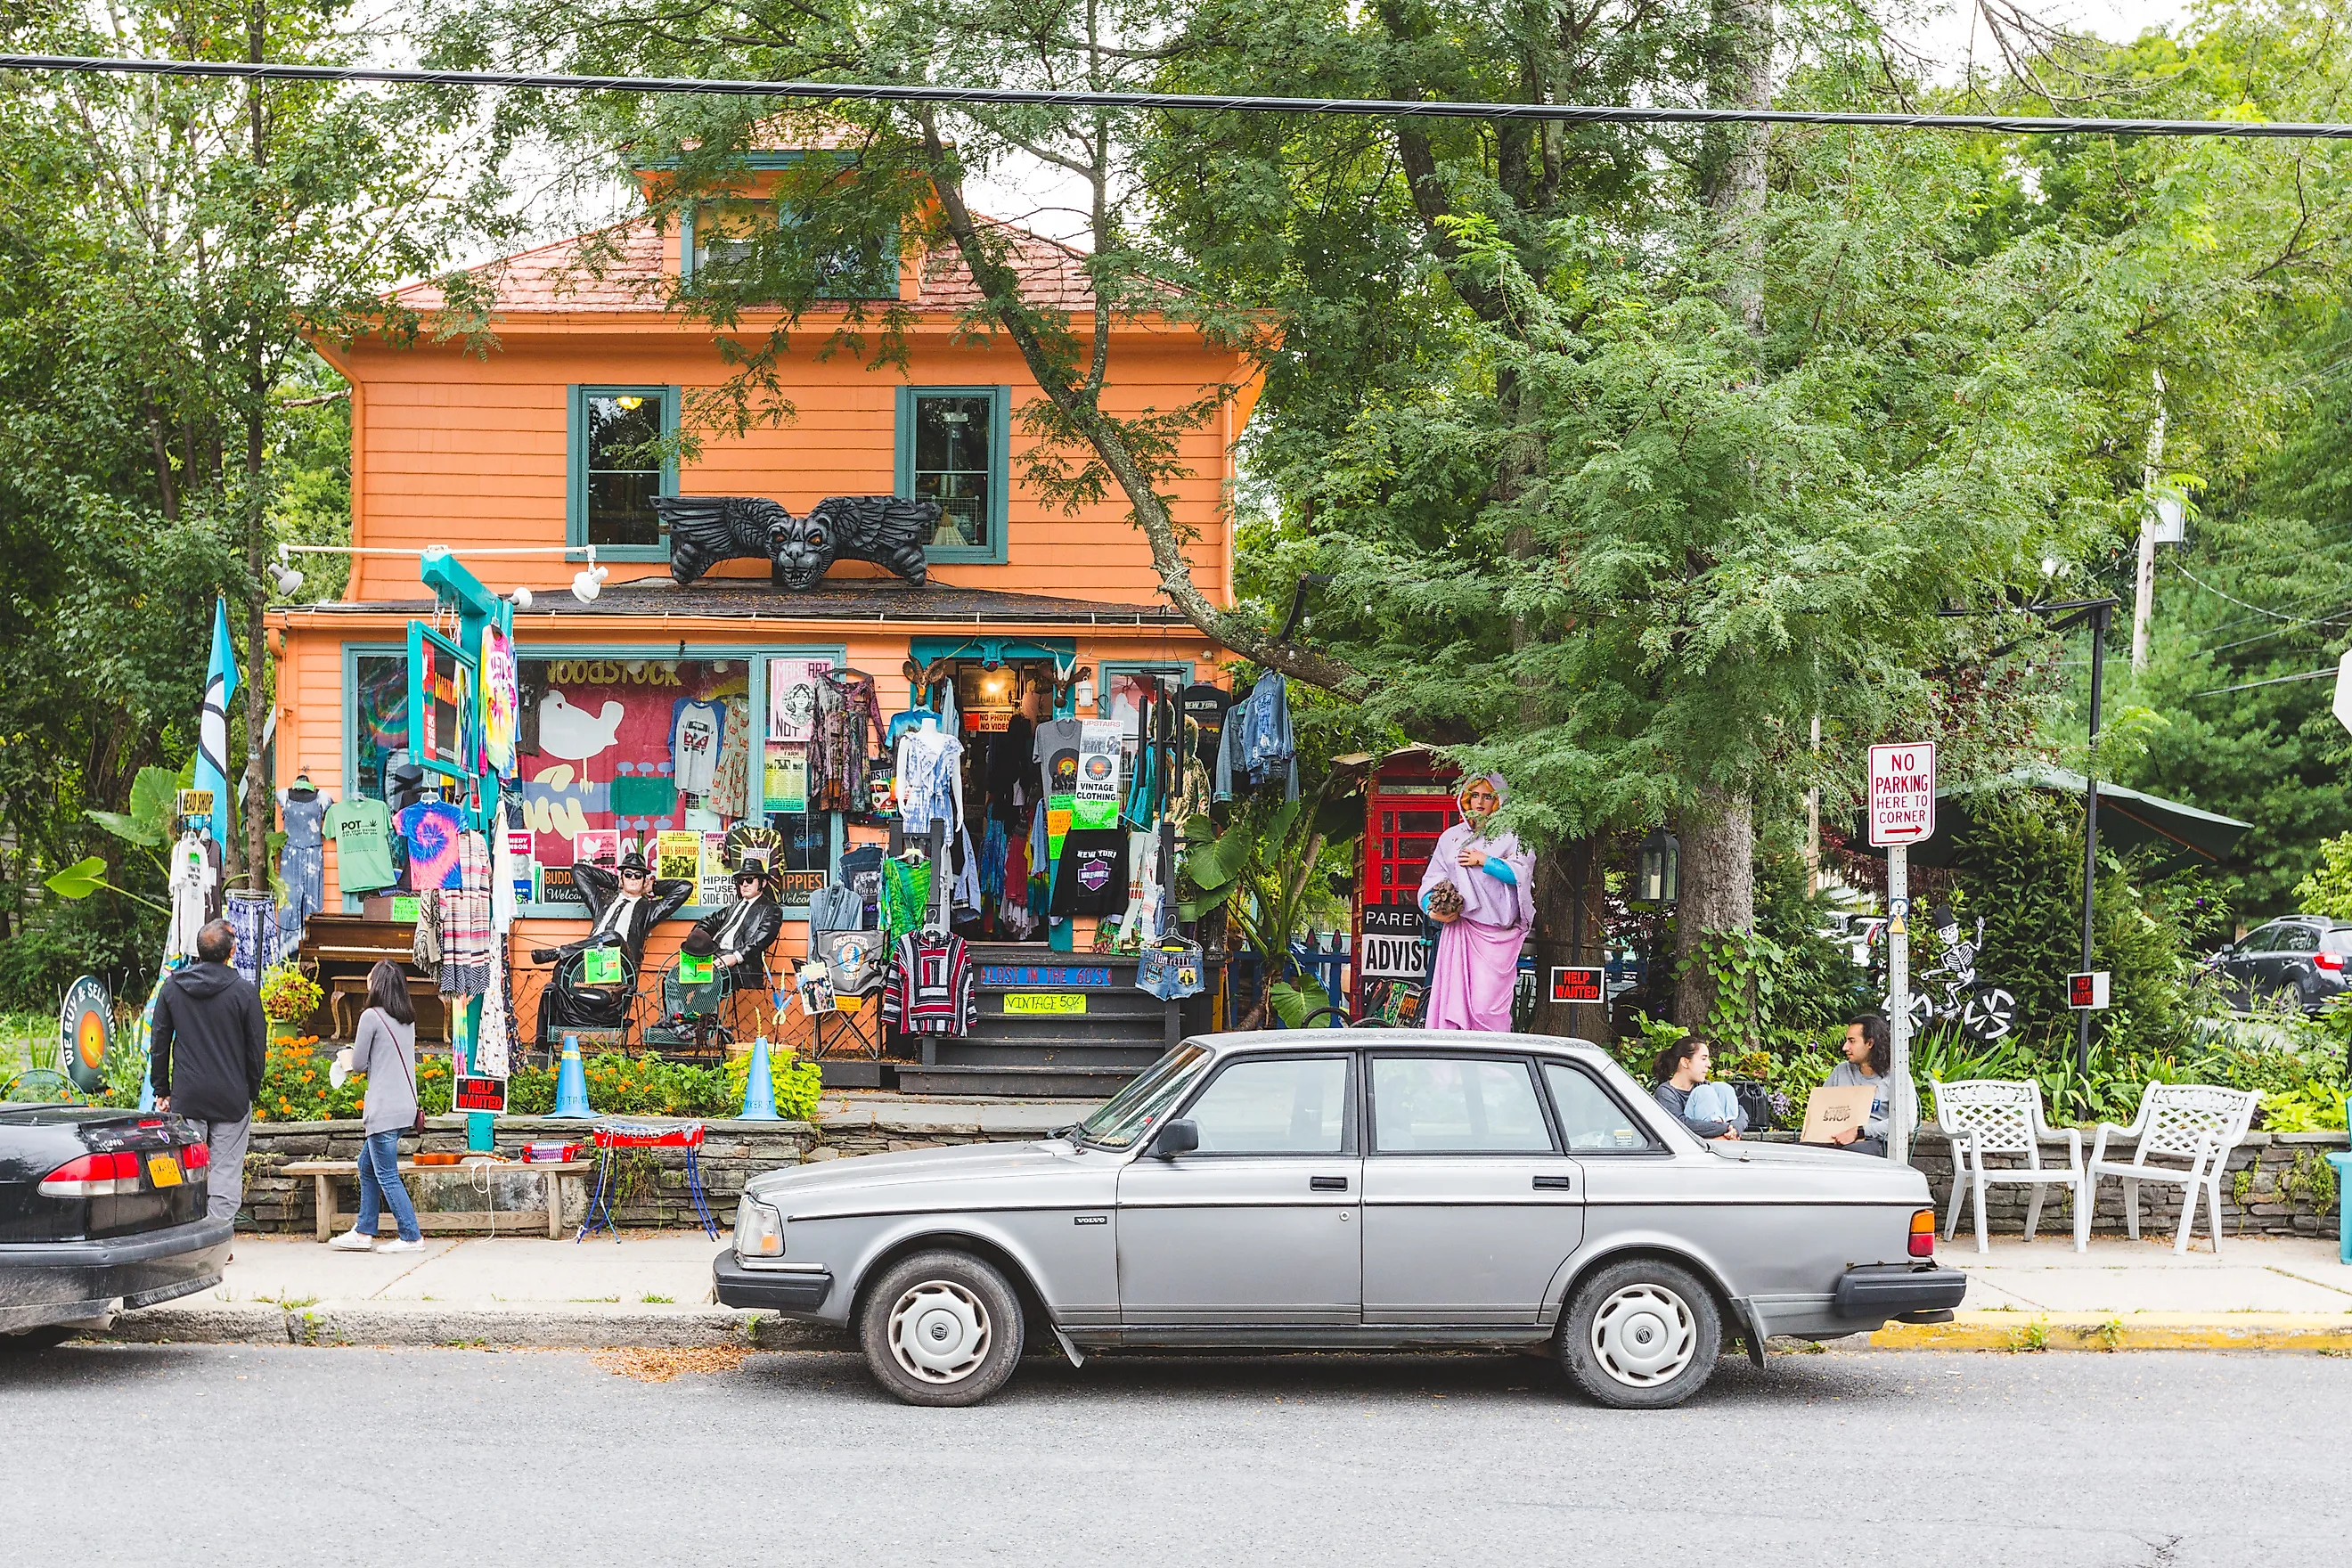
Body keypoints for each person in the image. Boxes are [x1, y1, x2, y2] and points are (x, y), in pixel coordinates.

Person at [150, 918, 268, 1229]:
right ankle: (217, 1238)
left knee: (187, 1167)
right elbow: (257, 1049)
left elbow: (159, 1042)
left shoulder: (173, 987)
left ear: (199, 951)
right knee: (226, 1170)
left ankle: (187, 1234)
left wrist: (161, 1089)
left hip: (188, 1096)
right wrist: (250, 1090)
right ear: (232, 951)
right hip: (231, 1096)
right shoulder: (244, 992)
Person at [1416, 773, 1535, 1032]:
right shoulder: (1451, 838)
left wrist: (1485, 861)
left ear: (1498, 800)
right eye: (1475, 795)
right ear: (1466, 799)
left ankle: (1491, 1067)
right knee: (1451, 1010)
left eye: (1488, 796)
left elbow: (1522, 874)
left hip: (1496, 936)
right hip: (1459, 932)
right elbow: (1432, 880)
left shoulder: (1514, 836)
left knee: (1486, 1009)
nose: (1480, 802)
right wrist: (1432, 910)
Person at [533, 851, 693, 1036]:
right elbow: (579, 871)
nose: (633, 879)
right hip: (588, 962)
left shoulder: (649, 910)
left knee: (613, 937)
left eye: (638, 875)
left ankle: (560, 951)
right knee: (556, 980)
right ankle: (544, 1039)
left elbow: (684, 887)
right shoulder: (602, 901)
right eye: (628, 874)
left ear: (644, 879)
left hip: (621, 968)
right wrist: (615, 883)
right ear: (621, 877)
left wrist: (653, 888)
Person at [331, 960, 422, 1253]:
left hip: (382, 1109)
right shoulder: (408, 1019)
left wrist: (346, 1057)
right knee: (366, 1165)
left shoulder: (370, 1016)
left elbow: (358, 1064)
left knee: (386, 1174)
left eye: (370, 980)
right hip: (405, 1108)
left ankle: (411, 1236)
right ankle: (364, 1231)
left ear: (378, 985)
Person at [1824, 1012, 1911, 1157]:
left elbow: (1906, 1122)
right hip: (1836, 1138)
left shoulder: (1897, 1077)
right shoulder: (1841, 1071)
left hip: (1876, 1142)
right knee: (1799, 1151)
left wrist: (1860, 1131)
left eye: (1852, 1041)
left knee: (1849, 1154)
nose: (1845, 1047)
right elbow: (1821, 1108)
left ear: (1870, 1043)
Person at [1652, 1035, 1744, 1140]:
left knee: (1722, 1087)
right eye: (1704, 1058)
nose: (1709, 1064)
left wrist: (1735, 1127)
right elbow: (1680, 1124)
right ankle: (1721, 1140)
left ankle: (1727, 1139)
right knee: (1703, 1091)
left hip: (1723, 1134)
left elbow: (1740, 1110)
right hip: (1688, 1143)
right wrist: (1725, 1128)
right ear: (1685, 1062)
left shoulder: (1705, 1085)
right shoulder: (1666, 1093)